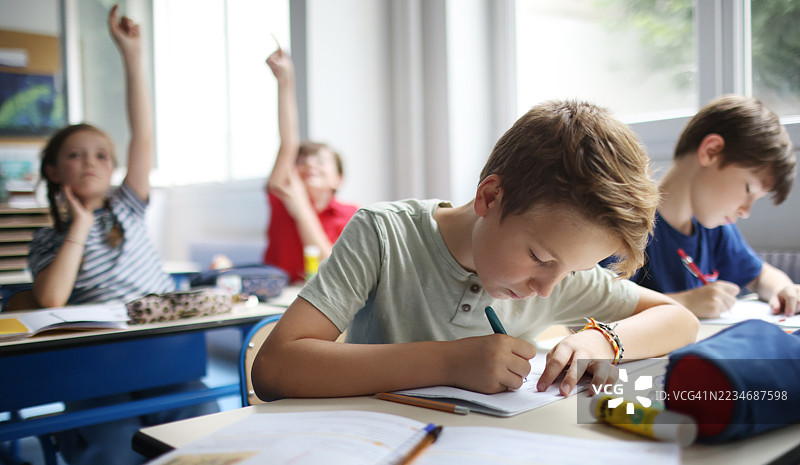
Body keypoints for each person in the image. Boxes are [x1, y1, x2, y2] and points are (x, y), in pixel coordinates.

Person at [251, 99, 699, 403]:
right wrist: (447, 362)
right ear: (490, 197)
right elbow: (273, 368)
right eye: (540, 259)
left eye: (571, 271)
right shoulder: (384, 234)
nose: (547, 289)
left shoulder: (559, 271)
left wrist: (601, 340)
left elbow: (680, 319)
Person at [28, 6, 216, 465]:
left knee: (195, 442)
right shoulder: (49, 241)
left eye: (102, 156)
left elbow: (144, 135)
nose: (91, 162)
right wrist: (80, 226)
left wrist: (132, 55)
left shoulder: (128, 209)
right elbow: (50, 299)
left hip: (164, 358)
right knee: (117, 454)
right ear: (52, 170)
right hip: (97, 369)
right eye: (75, 155)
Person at [614, 94, 798, 319]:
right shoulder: (626, 221)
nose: (746, 211)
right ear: (711, 152)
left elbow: (760, 276)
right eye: (748, 189)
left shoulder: (715, 228)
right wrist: (684, 303)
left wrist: (784, 290)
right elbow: (595, 303)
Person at [263, 45, 358, 283]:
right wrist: (285, 81)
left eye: (321, 161)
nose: (310, 165)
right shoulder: (281, 197)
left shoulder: (352, 216)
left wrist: (301, 208)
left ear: (338, 179)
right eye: (302, 161)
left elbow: (333, 270)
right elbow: (289, 142)